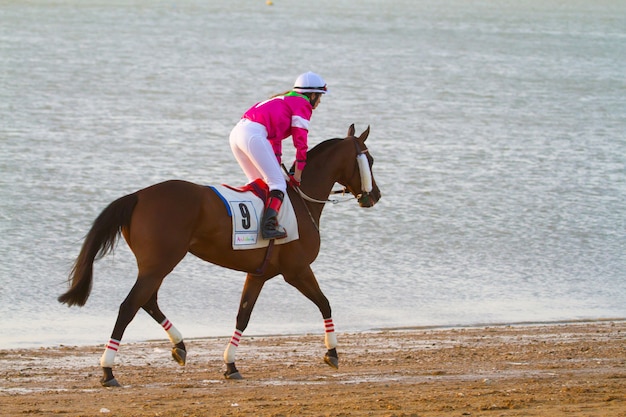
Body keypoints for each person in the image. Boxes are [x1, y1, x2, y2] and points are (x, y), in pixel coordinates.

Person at [229, 71, 328, 239]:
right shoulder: (302, 104)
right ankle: (268, 227)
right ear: (311, 95)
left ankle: (253, 223)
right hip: (253, 135)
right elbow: (301, 142)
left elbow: (275, 141)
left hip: (237, 134)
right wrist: (298, 174)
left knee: (259, 183)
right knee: (278, 184)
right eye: (319, 97)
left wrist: (277, 165)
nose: (319, 102)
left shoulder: (283, 99)